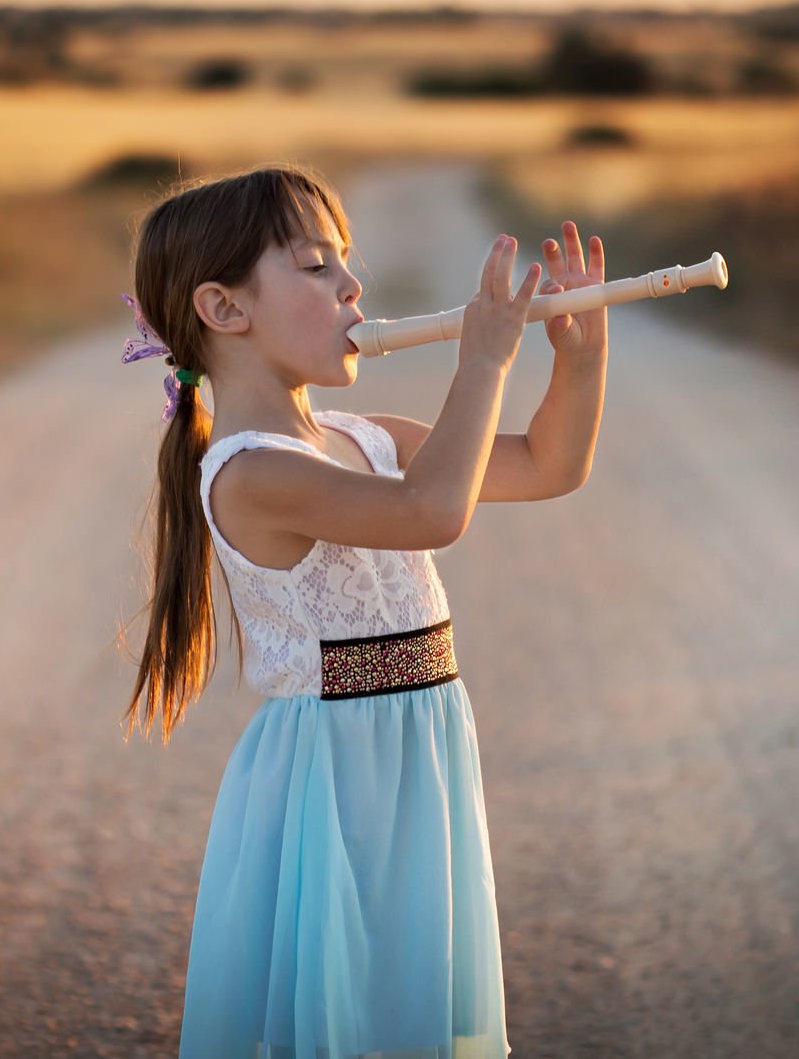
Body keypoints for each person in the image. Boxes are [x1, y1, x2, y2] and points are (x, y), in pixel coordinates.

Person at [117, 162, 608, 1058]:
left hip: (419, 752)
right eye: (314, 266)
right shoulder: (250, 470)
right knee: (349, 1016)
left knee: (412, 1009)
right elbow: (431, 514)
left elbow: (549, 463)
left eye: (346, 261)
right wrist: (484, 361)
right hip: (336, 779)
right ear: (226, 310)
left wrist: (580, 355)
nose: (353, 286)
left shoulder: (370, 437)